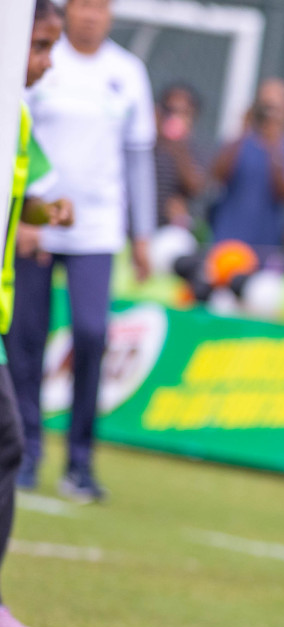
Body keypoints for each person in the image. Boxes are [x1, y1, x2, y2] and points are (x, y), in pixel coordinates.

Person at [11, 0, 156, 501]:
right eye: (82, 5)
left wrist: (143, 234)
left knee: (92, 335)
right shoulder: (37, 57)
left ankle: (80, 460)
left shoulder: (127, 72)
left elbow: (138, 160)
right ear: (66, 10)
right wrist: (30, 215)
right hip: (34, 225)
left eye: (100, 6)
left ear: (112, 14)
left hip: (97, 228)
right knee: (26, 337)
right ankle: (27, 450)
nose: (90, 15)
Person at [0, 0, 71, 627]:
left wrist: (47, 209)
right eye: (40, 46)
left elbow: (28, 196)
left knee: (6, 445)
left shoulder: (15, 118)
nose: (46, 63)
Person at [209, 77, 284, 250]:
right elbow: (216, 177)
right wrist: (243, 131)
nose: (269, 115)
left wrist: (275, 146)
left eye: (275, 108)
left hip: (268, 244)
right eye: (264, 107)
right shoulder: (237, 144)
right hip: (227, 241)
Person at [154, 81, 207, 230]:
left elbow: (196, 187)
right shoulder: (145, 145)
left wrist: (178, 145)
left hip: (169, 231)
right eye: (169, 111)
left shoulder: (193, 151)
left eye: (183, 112)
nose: (175, 117)